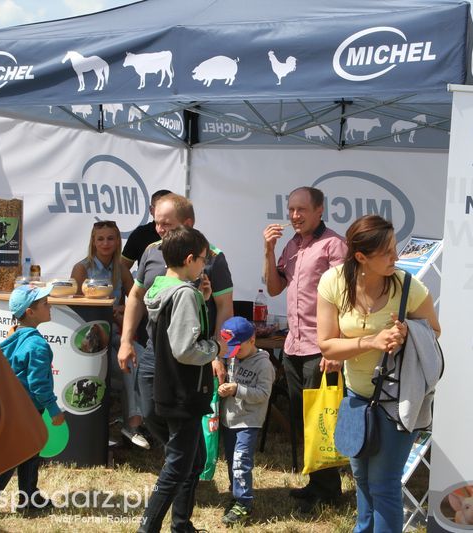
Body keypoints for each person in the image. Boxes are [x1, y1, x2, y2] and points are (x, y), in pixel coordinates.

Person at [316, 215, 441, 533]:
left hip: (399, 400)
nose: (396, 257)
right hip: (356, 397)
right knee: (362, 479)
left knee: (384, 484)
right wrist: (371, 340)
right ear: (361, 257)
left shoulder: (408, 286)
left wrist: (406, 331)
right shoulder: (333, 282)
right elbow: (327, 346)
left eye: (394, 248)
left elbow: (434, 332)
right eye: (387, 251)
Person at [118, 193, 233, 446]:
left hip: (191, 354)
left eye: (167, 224)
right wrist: (126, 341)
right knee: (149, 411)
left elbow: (224, 307)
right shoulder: (151, 250)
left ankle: (182, 465)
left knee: (183, 418)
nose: (160, 230)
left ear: (188, 223)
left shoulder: (212, 256)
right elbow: (136, 296)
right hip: (153, 350)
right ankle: (185, 459)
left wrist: (217, 354)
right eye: (157, 223)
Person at [138, 226, 228, 533]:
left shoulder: (161, 286)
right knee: (178, 465)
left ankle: (182, 525)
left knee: (194, 458)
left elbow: (174, 327)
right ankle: (149, 527)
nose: (205, 265)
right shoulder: (185, 294)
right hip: (183, 390)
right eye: (203, 259)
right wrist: (216, 347)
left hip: (163, 384)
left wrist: (200, 300)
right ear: (190, 259)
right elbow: (186, 348)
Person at [262, 186, 347, 511]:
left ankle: (329, 491)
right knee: (303, 418)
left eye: (302, 210)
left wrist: (333, 350)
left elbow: (345, 300)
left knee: (322, 418)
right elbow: (273, 288)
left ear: (319, 210)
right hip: (294, 347)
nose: (295, 216)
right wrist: (268, 250)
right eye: (291, 209)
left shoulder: (334, 246)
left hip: (321, 348)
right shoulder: (292, 245)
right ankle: (317, 484)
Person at [0, 284, 66, 512]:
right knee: (16, 455)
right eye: (45, 304)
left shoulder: (13, 336)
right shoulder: (37, 345)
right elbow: (39, 384)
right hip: (27, 411)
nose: (50, 306)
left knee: (29, 453)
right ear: (30, 312)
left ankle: (29, 498)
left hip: (11, 407)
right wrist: (54, 410)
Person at [70, 221, 146, 448]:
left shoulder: (121, 269)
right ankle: (132, 423)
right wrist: (105, 308)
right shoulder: (82, 268)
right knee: (128, 366)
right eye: (100, 239)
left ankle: (134, 422)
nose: (105, 243)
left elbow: (137, 300)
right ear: (93, 241)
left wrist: (120, 312)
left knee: (146, 360)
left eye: (110, 238)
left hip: (118, 333)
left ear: (117, 241)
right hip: (93, 338)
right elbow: (73, 306)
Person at [217, 316, 275, 527]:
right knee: (232, 460)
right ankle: (236, 493)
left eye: (237, 349)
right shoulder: (233, 356)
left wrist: (237, 390)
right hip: (230, 418)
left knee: (241, 460)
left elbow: (263, 394)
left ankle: (244, 502)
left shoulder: (264, 365)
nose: (233, 354)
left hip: (249, 420)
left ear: (252, 340)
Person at [122, 189, 172, 270]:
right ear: (151, 210)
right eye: (160, 207)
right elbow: (122, 268)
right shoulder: (140, 234)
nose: (164, 211)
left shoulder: (185, 235)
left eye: (168, 207)